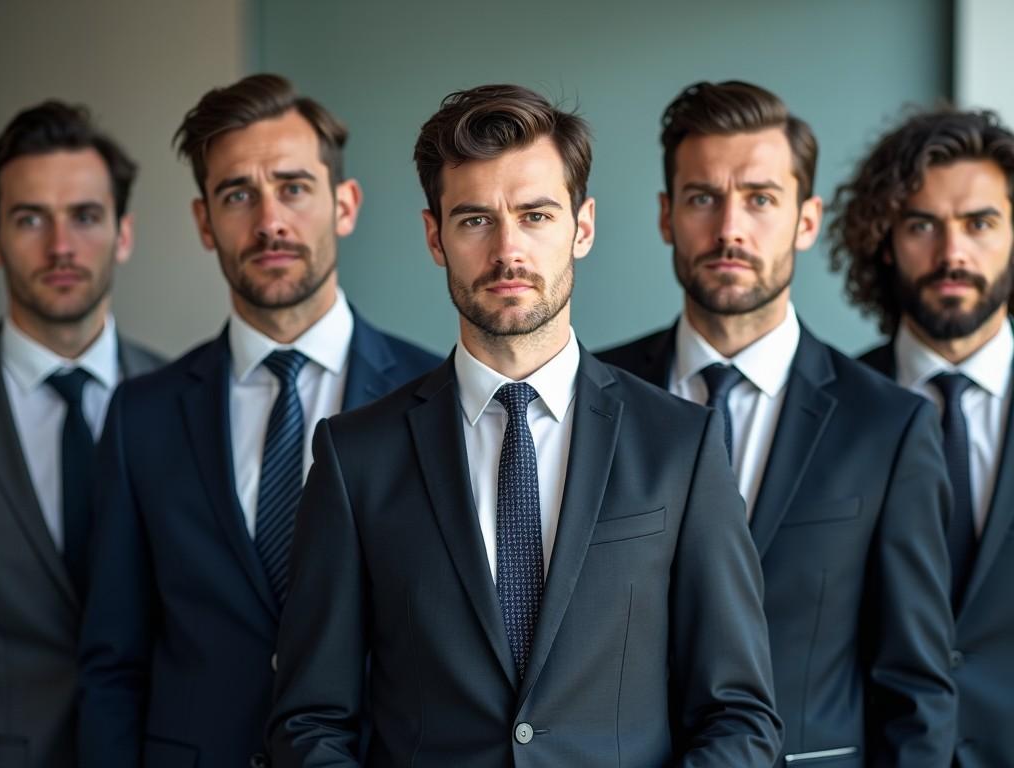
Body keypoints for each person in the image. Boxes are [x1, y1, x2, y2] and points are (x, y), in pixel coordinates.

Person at [266, 83, 782, 767]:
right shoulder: (355, 455)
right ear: (434, 236)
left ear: (584, 225)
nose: (508, 250)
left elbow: (739, 717)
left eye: (536, 215)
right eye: (476, 220)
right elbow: (310, 721)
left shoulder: (680, 447)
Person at [77, 74, 441, 768]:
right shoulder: (141, 415)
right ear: (203, 221)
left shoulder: (436, 396)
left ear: (345, 204)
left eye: (294, 187)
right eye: (238, 194)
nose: (269, 220)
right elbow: (113, 666)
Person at [599, 80, 956, 766]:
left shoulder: (888, 426)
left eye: (760, 199)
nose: (730, 228)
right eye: (703, 198)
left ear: (807, 218)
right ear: (667, 216)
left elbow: (915, 692)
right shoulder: (595, 396)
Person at [831, 107, 1014, 768]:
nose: (952, 253)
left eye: (980, 223)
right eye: (921, 225)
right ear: (884, 239)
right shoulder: (827, 411)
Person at [0, 100, 162, 768]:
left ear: (123, 233)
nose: (61, 246)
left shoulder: (188, 403)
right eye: (30, 219)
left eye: (85, 217)